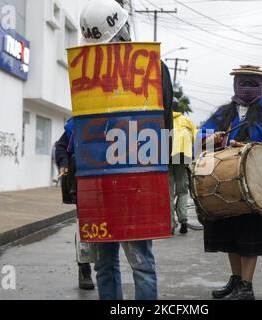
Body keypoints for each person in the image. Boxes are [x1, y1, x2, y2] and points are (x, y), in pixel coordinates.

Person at [78, 0, 174, 300]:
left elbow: (163, 126)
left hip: (136, 181)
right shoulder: (87, 71)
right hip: (102, 182)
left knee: (138, 263)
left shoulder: (153, 68)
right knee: (105, 265)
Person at [198, 65, 262, 300]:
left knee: (250, 235)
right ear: (235, 84)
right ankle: (235, 281)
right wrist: (211, 138)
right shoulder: (224, 113)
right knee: (231, 235)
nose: (248, 87)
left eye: (254, 83)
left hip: (256, 185)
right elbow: (202, 137)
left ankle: (247, 286)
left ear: (261, 85)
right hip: (227, 186)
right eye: (244, 82)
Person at [55, 119, 96, 291]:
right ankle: (84, 270)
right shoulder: (77, 122)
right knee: (85, 228)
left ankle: (105, 266)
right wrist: (64, 164)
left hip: (111, 185)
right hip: (83, 185)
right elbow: (61, 147)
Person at [170, 97, 197, 235]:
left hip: (166, 156)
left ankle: (170, 224)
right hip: (183, 156)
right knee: (182, 191)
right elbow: (197, 138)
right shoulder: (186, 121)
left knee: (168, 191)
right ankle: (183, 220)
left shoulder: (163, 120)